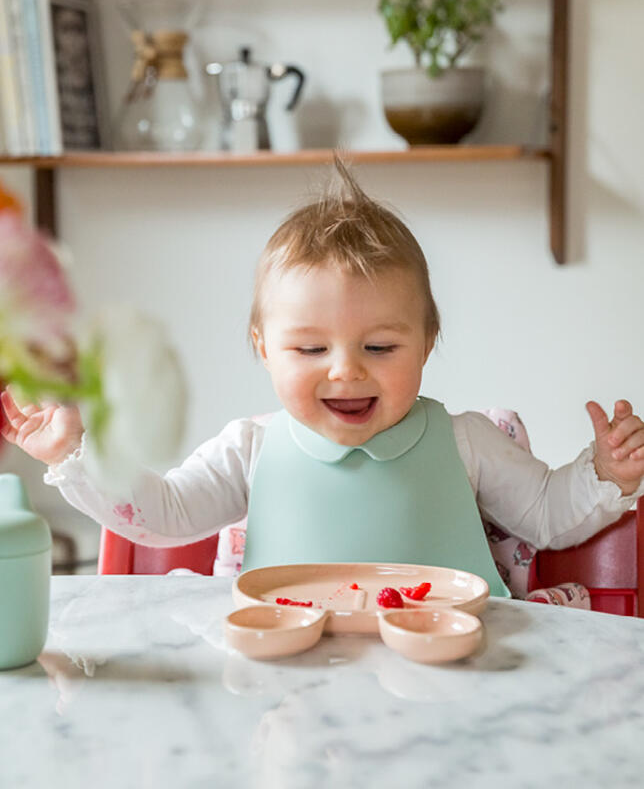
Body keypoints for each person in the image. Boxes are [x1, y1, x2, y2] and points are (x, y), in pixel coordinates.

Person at [2, 160, 644, 596]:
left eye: (381, 345)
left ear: (428, 342)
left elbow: (549, 518)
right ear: (263, 348)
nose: (345, 369)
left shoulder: (466, 441)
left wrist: (605, 474)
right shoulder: (250, 449)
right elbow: (160, 517)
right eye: (310, 347)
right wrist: (73, 454)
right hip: (293, 682)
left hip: (454, 677)